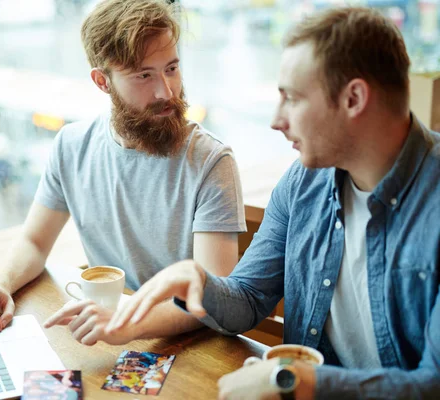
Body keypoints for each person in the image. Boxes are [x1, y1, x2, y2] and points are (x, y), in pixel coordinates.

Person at [103, 7, 440, 399]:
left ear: (353, 98)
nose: (276, 120)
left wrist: (294, 381)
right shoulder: (303, 182)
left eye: (292, 99)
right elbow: (248, 298)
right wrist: (199, 281)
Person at [0, 0, 246, 345]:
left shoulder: (211, 161)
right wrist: (1, 284)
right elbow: (35, 243)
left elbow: (213, 297)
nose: (166, 91)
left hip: (185, 343)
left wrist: (126, 323)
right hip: (113, 335)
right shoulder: (72, 146)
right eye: (144, 75)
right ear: (102, 81)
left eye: (171, 68)